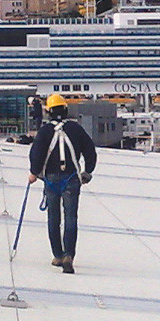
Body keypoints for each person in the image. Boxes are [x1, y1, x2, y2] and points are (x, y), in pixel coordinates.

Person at [27, 93, 96, 274]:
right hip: (72, 179)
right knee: (71, 218)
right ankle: (69, 256)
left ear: (48, 111)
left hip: (51, 180)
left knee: (53, 218)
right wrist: (87, 171)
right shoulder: (76, 129)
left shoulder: (44, 131)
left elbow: (36, 154)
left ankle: (57, 255)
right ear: (65, 109)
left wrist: (34, 173)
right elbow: (90, 151)